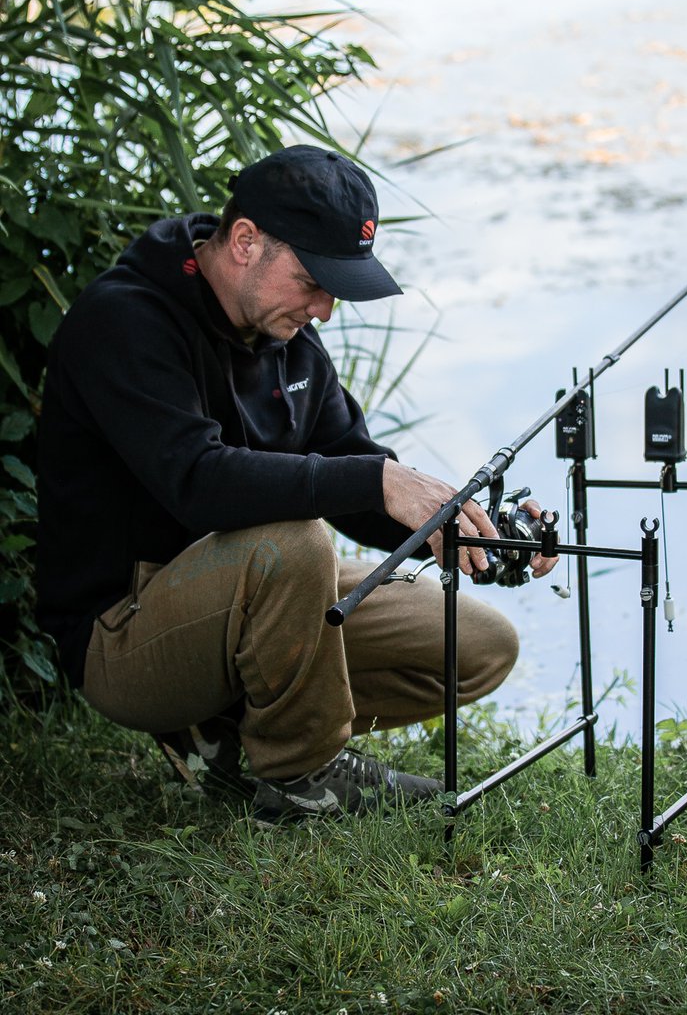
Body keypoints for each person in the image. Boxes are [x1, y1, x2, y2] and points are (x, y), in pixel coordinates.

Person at [36, 145, 557, 821]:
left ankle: (228, 734)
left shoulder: (287, 337)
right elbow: (199, 481)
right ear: (245, 242)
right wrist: (373, 480)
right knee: (295, 541)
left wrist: (466, 526)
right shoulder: (126, 320)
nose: (326, 310)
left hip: (255, 595)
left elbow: (356, 475)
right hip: (123, 631)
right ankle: (300, 776)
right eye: (313, 281)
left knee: (480, 646)